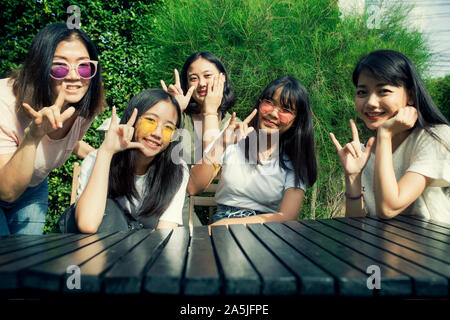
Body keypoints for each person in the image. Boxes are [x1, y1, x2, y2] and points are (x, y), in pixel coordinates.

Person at [0, 23, 106, 235]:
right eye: (60, 67)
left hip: (33, 189)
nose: (75, 76)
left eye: (84, 66)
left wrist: (105, 156)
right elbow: (7, 191)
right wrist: (33, 136)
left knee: (26, 259)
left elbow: (70, 142)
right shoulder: (5, 102)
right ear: (40, 69)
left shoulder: (84, 108)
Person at [330, 49, 450, 222]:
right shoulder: (365, 151)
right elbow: (356, 223)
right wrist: (353, 176)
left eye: (383, 91)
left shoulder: (435, 137)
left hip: (432, 246)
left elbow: (388, 208)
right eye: (362, 92)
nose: (371, 102)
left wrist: (385, 134)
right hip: (383, 247)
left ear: (411, 95)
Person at [188, 76, 318, 225]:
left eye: (286, 110)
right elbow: (193, 187)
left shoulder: (294, 160)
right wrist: (220, 145)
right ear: (259, 103)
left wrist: (229, 225)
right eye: (269, 102)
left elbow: (288, 216)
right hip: (224, 225)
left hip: (267, 230)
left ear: (296, 121)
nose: (274, 113)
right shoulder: (233, 137)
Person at [75, 89, 188, 233]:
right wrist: (106, 153)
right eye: (150, 121)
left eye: (168, 128)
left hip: (146, 250)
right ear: (132, 119)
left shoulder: (177, 170)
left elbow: (165, 233)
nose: (157, 133)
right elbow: (87, 225)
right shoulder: (97, 159)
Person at [160, 52, 237, 225]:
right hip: (171, 202)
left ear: (222, 78)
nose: (202, 83)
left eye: (208, 75)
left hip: (225, 214)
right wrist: (172, 110)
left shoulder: (234, 124)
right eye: (193, 78)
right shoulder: (181, 119)